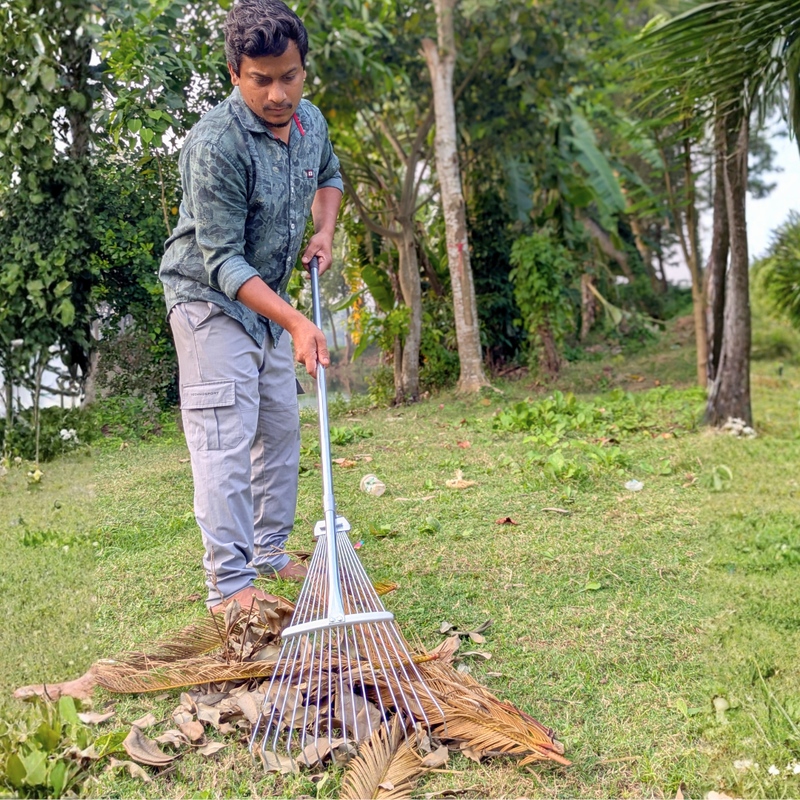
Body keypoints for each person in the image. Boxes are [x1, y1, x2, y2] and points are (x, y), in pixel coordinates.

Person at [159, 0, 341, 613]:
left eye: (288, 75)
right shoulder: (216, 144)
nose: (276, 93)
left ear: (303, 69)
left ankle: (268, 551)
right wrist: (294, 320)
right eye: (260, 79)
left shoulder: (310, 122)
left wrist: (325, 231)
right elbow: (221, 262)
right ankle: (230, 586)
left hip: (267, 301)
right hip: (209, 301)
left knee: (279, 426)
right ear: (235, 73)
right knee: (225, 437)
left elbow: (331, 175)